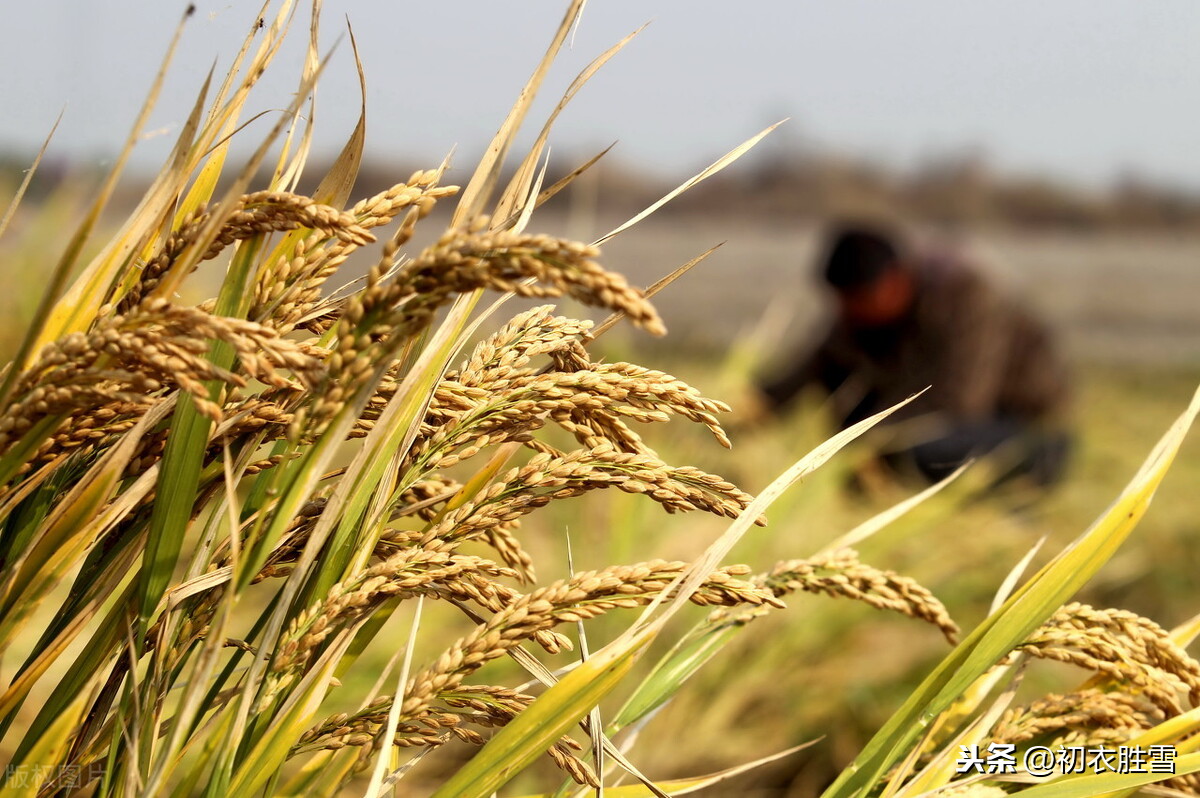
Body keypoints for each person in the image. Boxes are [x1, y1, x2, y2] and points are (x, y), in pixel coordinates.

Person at [758, 223, 1072, 487]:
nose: (847, 311)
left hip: (1015, 422)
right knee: (844, 387)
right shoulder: (858, 315)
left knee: (925, 448)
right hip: (939, 419)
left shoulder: (968, 297)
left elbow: (960, 400)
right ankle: (871, 485)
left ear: (896, 280)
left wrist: (869, 438)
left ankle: (1016, 481)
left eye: (859, 299)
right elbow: (812, 365)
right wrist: (745, 410)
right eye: (842, 302)